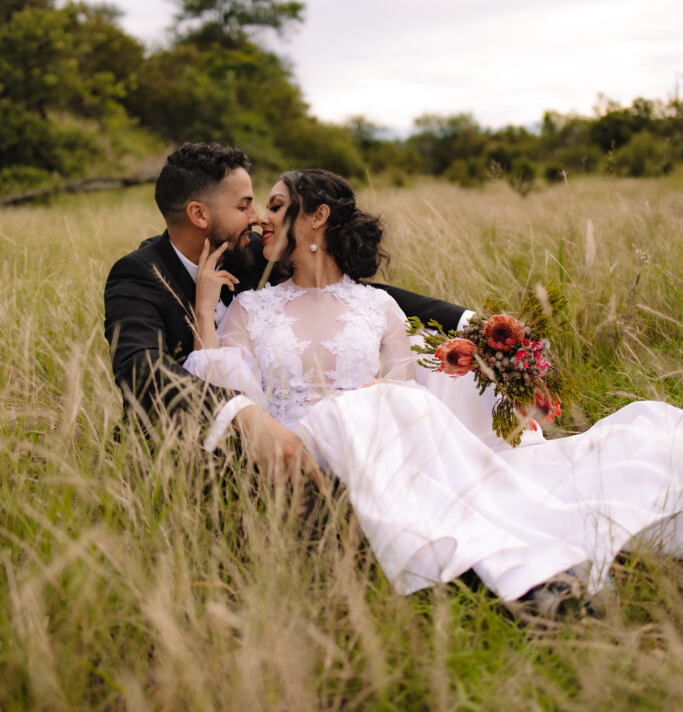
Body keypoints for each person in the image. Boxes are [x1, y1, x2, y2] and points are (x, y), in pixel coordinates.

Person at [184, 168, 683, 605]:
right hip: (308, 443)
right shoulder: (253, 307)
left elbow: (405, 387)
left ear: (317, 217)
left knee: (390, 412)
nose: (262, 220)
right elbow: (231, 386)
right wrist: (206, 309)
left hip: (382, 438)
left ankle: (542, 569)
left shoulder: (376, 306)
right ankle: (529, 578)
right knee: (359, 413)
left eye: (276, 206)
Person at [104, 143, 471, 477]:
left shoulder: (250, 254)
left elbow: (343, 294)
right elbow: (140, 367)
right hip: (191, 454)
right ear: (199, 215)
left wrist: (467, 322)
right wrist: (240, 413)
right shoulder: (139, 275)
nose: (257, 217)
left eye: (266, 206)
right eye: (243, 205)